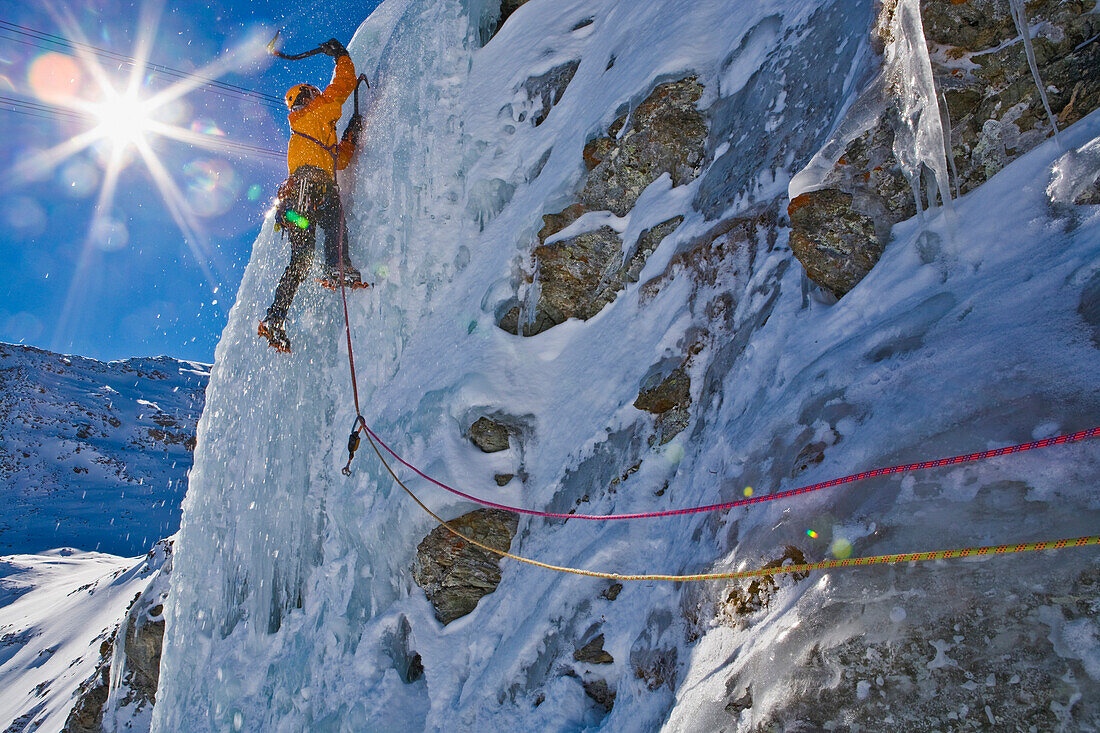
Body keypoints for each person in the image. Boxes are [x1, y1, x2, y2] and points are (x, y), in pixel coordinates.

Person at [258, 38, 366, 353]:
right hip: (313, 189)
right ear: (310, 97)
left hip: (294, 205)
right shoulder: (316, 112)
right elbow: (343, 87)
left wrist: (349, 135)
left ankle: (275, 319)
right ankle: (336, 267)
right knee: (335, 220)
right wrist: (342, 57)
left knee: (301, 260)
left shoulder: (310, 131)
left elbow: (340, 159)